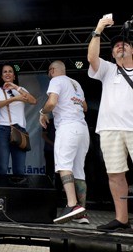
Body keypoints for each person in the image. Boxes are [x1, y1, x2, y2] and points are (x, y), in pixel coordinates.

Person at [88, 15, 133, 231]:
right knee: (115, 174)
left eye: (124, 44)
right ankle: (122, 219)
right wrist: (98, 29)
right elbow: (91, 57)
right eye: (115, 46)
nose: (119, 47)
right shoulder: (107, 69)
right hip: (109, 129)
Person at [39, 60, 89, 224]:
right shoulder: (76, 84)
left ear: (52, 70)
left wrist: (42, 111)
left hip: (67, 128)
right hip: (82, 128)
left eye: (49, 71)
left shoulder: (56, 80)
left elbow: (52, 102)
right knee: (79, 171)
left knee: (64, 166)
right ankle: (81, 213)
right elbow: (85, 107)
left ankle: (72, 205)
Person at [0, 64, 37, 175]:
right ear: (1, 76)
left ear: (14, 76)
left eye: (10, 71)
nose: (7, 73)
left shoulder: (21, 90)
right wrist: (14, 99)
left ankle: (18, 191)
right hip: (2, 129)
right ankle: (1, 192)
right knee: (2, 166)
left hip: (19, 130)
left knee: (20, 168)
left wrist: (16, 88)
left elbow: (33, 101)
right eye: (5, 72)